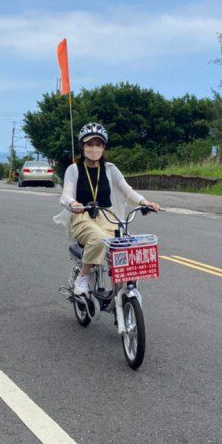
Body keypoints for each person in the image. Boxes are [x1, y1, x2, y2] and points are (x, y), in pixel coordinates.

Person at [55, 123, 161, 308]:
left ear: (104, 147)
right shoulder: (74, 170)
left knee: (124, 244)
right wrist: (73, 203)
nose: (94, 148)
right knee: (99, 239)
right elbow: (66, 193)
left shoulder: (111, 169)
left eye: (98, 144)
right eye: (89, 144)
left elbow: (128, 191)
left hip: (108, 216)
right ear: (82, 146)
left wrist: (145, 202)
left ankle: (120, 288)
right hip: (82, 217)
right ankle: (84, 277)